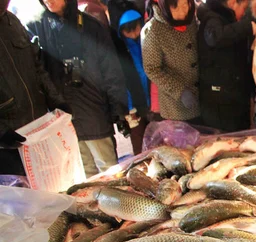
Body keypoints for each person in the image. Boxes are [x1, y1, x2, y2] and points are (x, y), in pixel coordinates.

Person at [28, 0, 128, 178]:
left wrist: (119, 111)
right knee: (85, 173)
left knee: (110, 170)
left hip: (94, 111)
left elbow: (112, 71)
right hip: (65, 116)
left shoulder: (91, 26)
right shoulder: (38, 27)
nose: (48, 1)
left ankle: (118, 204)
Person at [0, 0, 67, 176]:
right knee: (21, 200)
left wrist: (56, 99)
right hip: (8, 144)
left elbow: (36, 65)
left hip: (38, 132)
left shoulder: (12, 21)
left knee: (54, 190)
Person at [196, 0, 256, 132]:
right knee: (225, 141)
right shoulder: (212, 18)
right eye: (244, 8)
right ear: (232, 2)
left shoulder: (227, 19)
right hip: (219, 99)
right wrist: (246, 27)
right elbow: (215, 37)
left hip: (232, 93)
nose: (243, 13)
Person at [142, 0, 201, 124]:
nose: (183, 10)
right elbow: (152, 69)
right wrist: (180, 91)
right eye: (175, 7)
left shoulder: (191, 21)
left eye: (185, 4)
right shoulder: (153, 30)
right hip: (176, 104)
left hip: (201, 95)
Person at [107, 0, 150, 154]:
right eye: (128, 31)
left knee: (156, 138)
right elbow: (120, 82)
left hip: (152, 102)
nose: (134, 34)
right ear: (120, 30)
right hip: (133, 107)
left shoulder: (146, 38)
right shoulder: (117, 48)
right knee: (139, 142)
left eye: (136, 28)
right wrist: (128, 108)